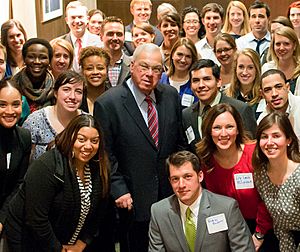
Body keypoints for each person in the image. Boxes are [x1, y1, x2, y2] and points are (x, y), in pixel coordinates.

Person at [94, 43, 186, 252]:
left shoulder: (170, 95)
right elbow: (105, 154)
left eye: (156, 69)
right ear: (132, 65)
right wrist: (119, 190)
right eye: (144, 67)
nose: (149, 74)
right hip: (131, 200)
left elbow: (178, 142)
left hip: (170, 196)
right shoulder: (108, 103)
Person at [5, 114, 110, 252]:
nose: (88, 146)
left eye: (94, 141)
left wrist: (83, 242)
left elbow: (99, 211)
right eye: (81, 140)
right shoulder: (47, 165)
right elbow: (36, 219)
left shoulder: (100, 166)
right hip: (29, 240)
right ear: (70, 137)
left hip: (70, 243)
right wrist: (58, 249)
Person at [196, 104, 276, 251]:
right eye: (217, 127)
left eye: (229, 127)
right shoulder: (206, 162)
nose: (224, 133)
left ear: (238, 129)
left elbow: (268, 198)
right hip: (228, 229)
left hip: (262, 228)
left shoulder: (255, 154)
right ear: (209, 131)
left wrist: (259, 234)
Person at [148, 150, 255, 252]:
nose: (181, 185)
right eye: (175, 179)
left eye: (187, 177)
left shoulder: (226, 208)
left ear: (200, 176)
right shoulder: (159, 212)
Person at [182, 59, 257, 153]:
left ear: (219, 81)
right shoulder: (187, 115)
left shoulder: (240, 109)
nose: (201, 85)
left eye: (207, 79)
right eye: (196, 80)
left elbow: (251, 149)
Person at [253, 112, 300, 251]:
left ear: (289, 140)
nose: (269, 142)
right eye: (264, 137)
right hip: (282, 240)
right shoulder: (260, 174)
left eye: (276, 136)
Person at [23, 70, 85, 160]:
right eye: (66, 90)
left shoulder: (87, 122)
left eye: (78, 91)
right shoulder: (35, 121)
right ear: (55, 93)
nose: (72, 96)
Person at [0, 79, 31, 242]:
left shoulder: (24, 137)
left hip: (8, 216)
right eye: (2, 105)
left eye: (16, 104)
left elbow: (20, 183)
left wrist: (1, 218)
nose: (10, 111)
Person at [12, 38, 54, 115]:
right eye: (31, 57)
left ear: (49, 61)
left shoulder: (57, 89)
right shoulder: (12, 86)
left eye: (43, 57)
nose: (37, 62)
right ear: (24, 59)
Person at [258, 69, 300, 140]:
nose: (274, 94)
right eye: (268, 90)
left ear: (287, 87)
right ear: (262, 94)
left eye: (278, 87)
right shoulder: (262, 120)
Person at [60, 1, 102, 72]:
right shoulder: (61, 43)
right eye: (73, 17)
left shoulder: (100, 42)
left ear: (87, 19)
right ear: (67, 20)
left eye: (80, 17)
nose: (77, 21)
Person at [160, 38, 198, 108]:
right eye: (180, 54)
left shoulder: (196, 83)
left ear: (193, 59)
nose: (183, 60)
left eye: (188, 56)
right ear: (172, 55)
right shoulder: (161, 79)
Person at [226, 48, 263, 119]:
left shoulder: (264, 96)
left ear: (257, 70)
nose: (245, 72)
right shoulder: (225, 96)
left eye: (250, 67)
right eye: (241, 67)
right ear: (235, 69)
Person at [262, 26, 300, 95]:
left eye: (286, 44)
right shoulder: (266, 68)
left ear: (294, 46)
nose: (281, 48)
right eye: (278, 44)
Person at [100, 16, 131, 87]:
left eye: (119, 34)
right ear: (101, 36)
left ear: (124, 37)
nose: (115, 38)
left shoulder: (133, 64)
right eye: (110, 34)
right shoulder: (93, 65)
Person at [79, 46, 111, 113]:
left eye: (100, 68)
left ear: (107, 70)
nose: (95, 72)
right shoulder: (76, 98)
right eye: (89, 68)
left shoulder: (115, 98)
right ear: (82, 71)